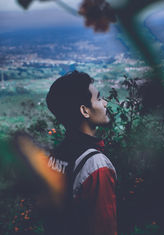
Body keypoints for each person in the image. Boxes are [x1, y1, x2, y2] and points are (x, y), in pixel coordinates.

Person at [46, 70, 118, 235]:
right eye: (98, 98)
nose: (105, 103)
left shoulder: (54, 157)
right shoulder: (95, 164)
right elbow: (104, 228)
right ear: (85, 111)